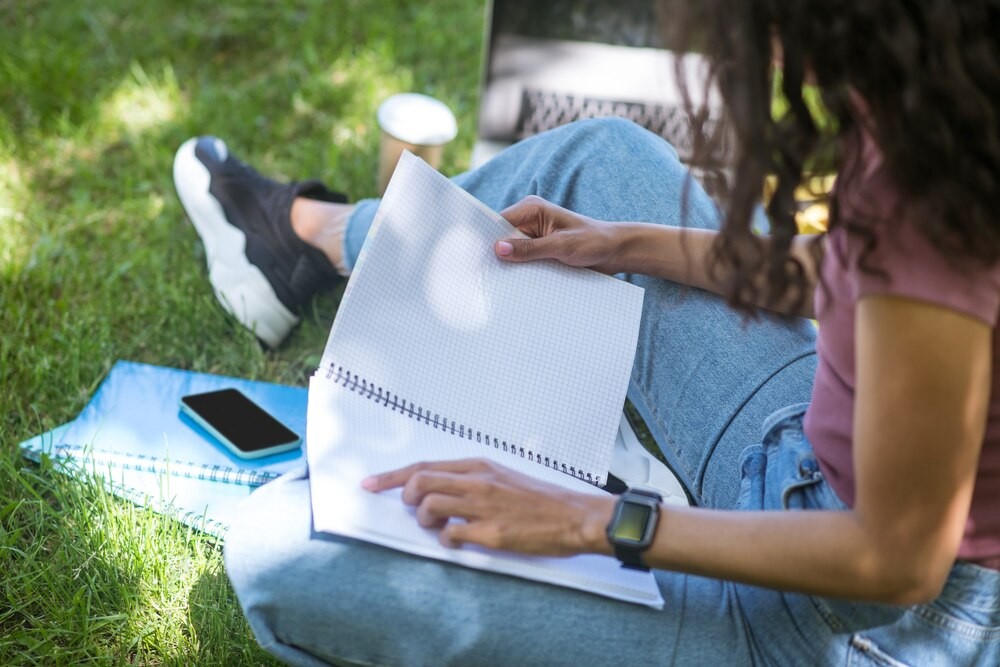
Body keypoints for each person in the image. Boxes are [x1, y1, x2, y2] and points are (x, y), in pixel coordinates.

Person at [173, 1, 999, 664]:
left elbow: (896, 563)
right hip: (800, 461)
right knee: (598, 159)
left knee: (277, 554)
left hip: (828, 625)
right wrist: (626, 243)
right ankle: (309, 242)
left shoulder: (931, 206)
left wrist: (589, 521)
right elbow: (861, 276)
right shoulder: (937, 93)